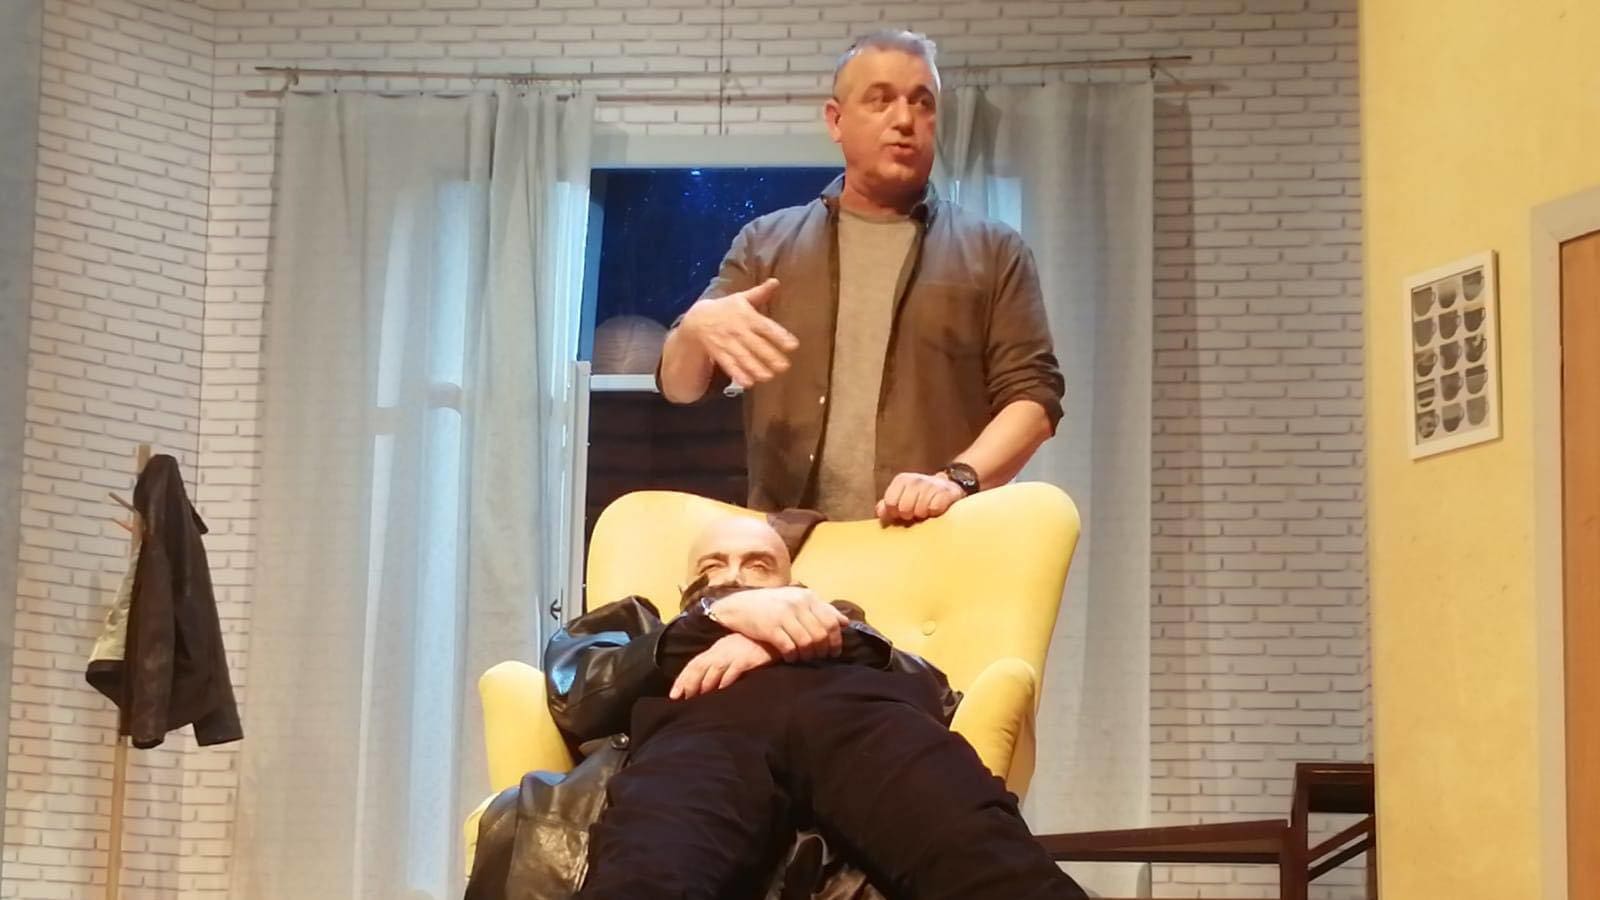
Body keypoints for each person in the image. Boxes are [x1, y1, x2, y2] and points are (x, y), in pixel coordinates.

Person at [464, 514, 1090, 900]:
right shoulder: (637, 624)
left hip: (856, 719)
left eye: (758, 565)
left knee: (990, 864)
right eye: (714, 565)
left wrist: (804, 637)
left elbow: (935, 693)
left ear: (793, 587)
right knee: (649, 877)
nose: (734, 574)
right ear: (686, 587)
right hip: (698, 737)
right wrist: (713, 621)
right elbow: (576, 694)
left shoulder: (844, 626)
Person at [656, 30, 1065, 525]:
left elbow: (1034, 399)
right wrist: (696, 327)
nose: (905, 119)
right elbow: (680, 386)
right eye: (880, 100)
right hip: (792, 548)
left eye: (922, 102)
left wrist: (954, 480)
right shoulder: (767, 245)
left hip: (938, 544)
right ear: (836, 120)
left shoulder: (994, 251)